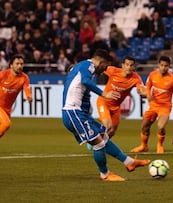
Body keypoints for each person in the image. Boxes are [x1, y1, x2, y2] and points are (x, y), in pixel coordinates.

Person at [62, 49, 150, 181]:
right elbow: (85, 81)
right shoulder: (89, 66)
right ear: (101, 62)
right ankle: (105, 174)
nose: (105, 69)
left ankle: (129, 162)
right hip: (73, 112)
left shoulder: (83, 66)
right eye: (105, 65)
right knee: (98, 144)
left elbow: (76, 80)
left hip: (80, 113)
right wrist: (103, 94)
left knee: (104, 137)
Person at [130, 56, 173, 154]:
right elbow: (148, 87)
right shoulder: (152, 75)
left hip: (165, 107)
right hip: (153, 105)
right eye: (161, 65)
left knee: (161, 126)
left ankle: (160, 145)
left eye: (166, 66)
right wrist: (149, 96)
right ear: (158, 65)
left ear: (169, 66)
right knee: (144, 127)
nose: (163, 68)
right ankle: (144, 146)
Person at [96, 55, 145, 139]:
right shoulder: (113, 71)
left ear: (133, 67)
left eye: (131, 65)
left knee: (112, 132)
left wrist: (143, 93)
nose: (129, 67)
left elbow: (142, 90)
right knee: (108, 125)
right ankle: (94, 141)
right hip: (104, 102)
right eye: (127, 64)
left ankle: (98, 143)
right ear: (123, 65)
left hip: (116, 108)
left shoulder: (136, 78)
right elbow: (97, 68)